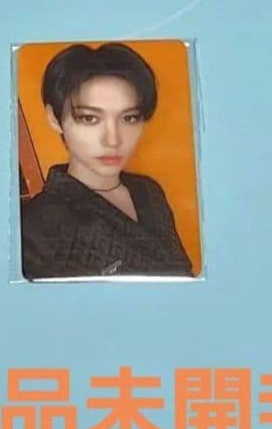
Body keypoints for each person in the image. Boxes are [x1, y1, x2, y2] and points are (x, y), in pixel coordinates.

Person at [21, 42, 194, 279]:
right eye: (89, 118)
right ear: (54, 118)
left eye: (129, 118)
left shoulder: (148, 191)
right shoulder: (34, 229)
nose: (113, 140)